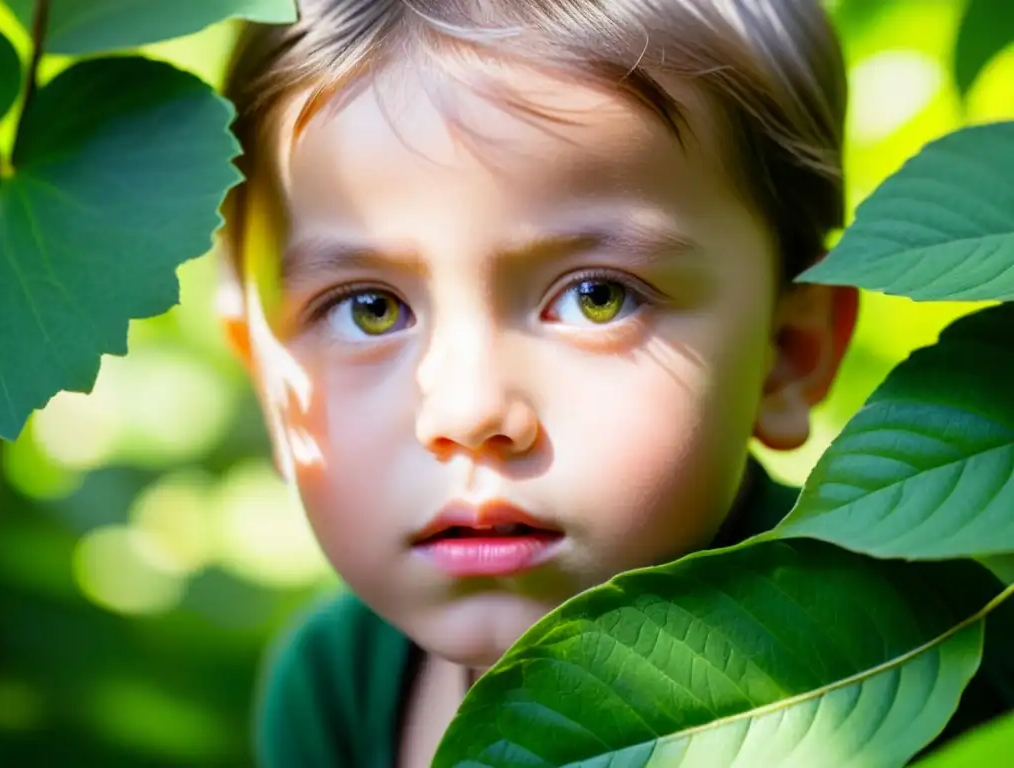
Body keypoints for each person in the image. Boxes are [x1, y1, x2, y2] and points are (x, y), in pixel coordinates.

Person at [216, 1, 866, 764]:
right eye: (370, 309)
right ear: (267, 378)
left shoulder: (915, 654)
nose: (468, 410)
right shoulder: (336, 687)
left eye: (599, 297)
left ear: (788, 353)